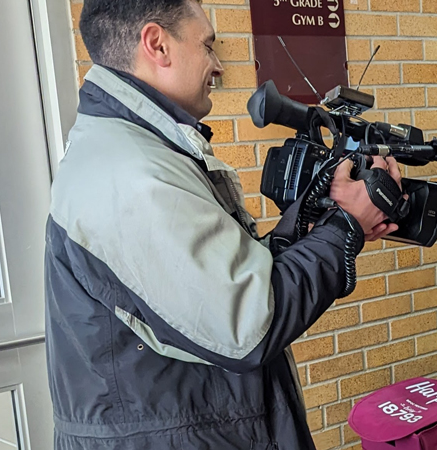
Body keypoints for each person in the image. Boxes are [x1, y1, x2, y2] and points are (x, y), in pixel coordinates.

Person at [44, 0, 401, 448]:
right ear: (157, 44)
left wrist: (313, 227)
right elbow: (248, 325)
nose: (217, 65)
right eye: (208, 45)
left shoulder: (134, 150)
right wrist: (346, 226)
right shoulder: (133, 175)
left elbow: (224, 283)